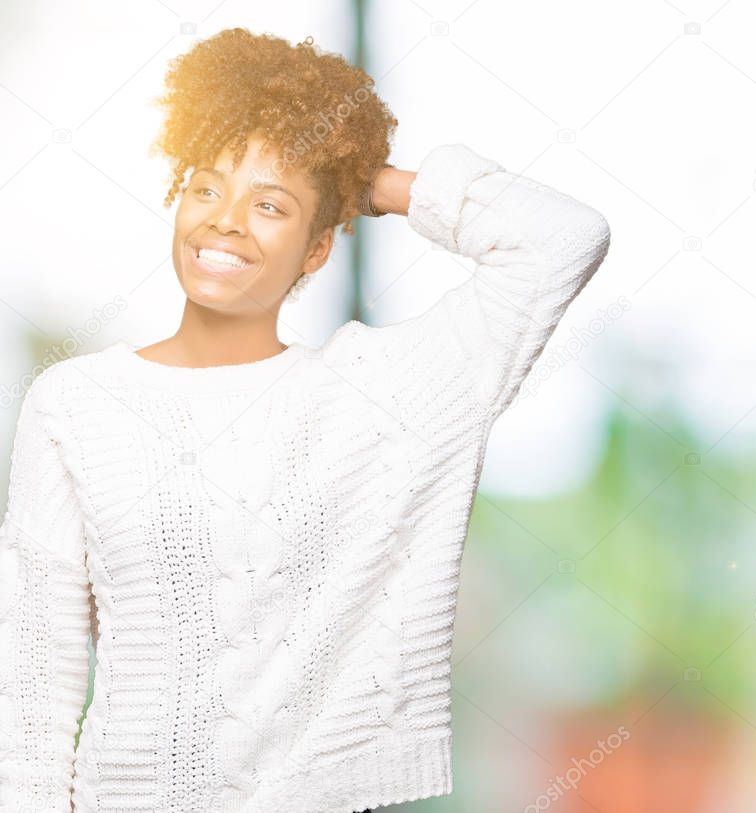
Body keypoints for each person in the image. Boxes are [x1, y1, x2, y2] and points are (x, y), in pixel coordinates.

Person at [0, 27, 611, 812]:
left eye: (270, 205)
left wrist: (366, 179)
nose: (225, 220)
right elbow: (31, 676)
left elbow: (562, 238)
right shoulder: (76, 403)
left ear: (319, 247)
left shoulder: (381, 396)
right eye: (205, 186)